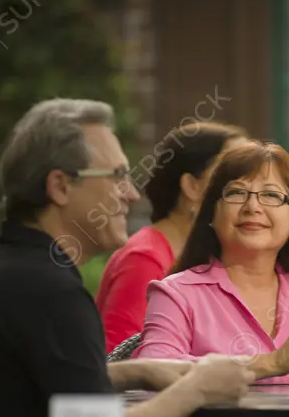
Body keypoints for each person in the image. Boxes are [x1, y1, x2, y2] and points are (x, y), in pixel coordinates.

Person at [0, 99, 255, 417]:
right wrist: (197, 389)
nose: (131, 193)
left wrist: (135, 371)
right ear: (60, 186)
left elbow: (25, 388)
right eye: (117, 176)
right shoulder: (50, 291)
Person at [133, 140, 289, 383]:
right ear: (211, 215)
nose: (252, 206)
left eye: (270, 195)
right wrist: (269, 363)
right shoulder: (177, 293)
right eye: (236, 193)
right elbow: (152, 366)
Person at [96, 121, 249, 353]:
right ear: (192, 187)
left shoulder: (215, 258)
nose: (252, 195)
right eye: (234, 177)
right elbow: (120, 361)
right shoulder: (144, 260)